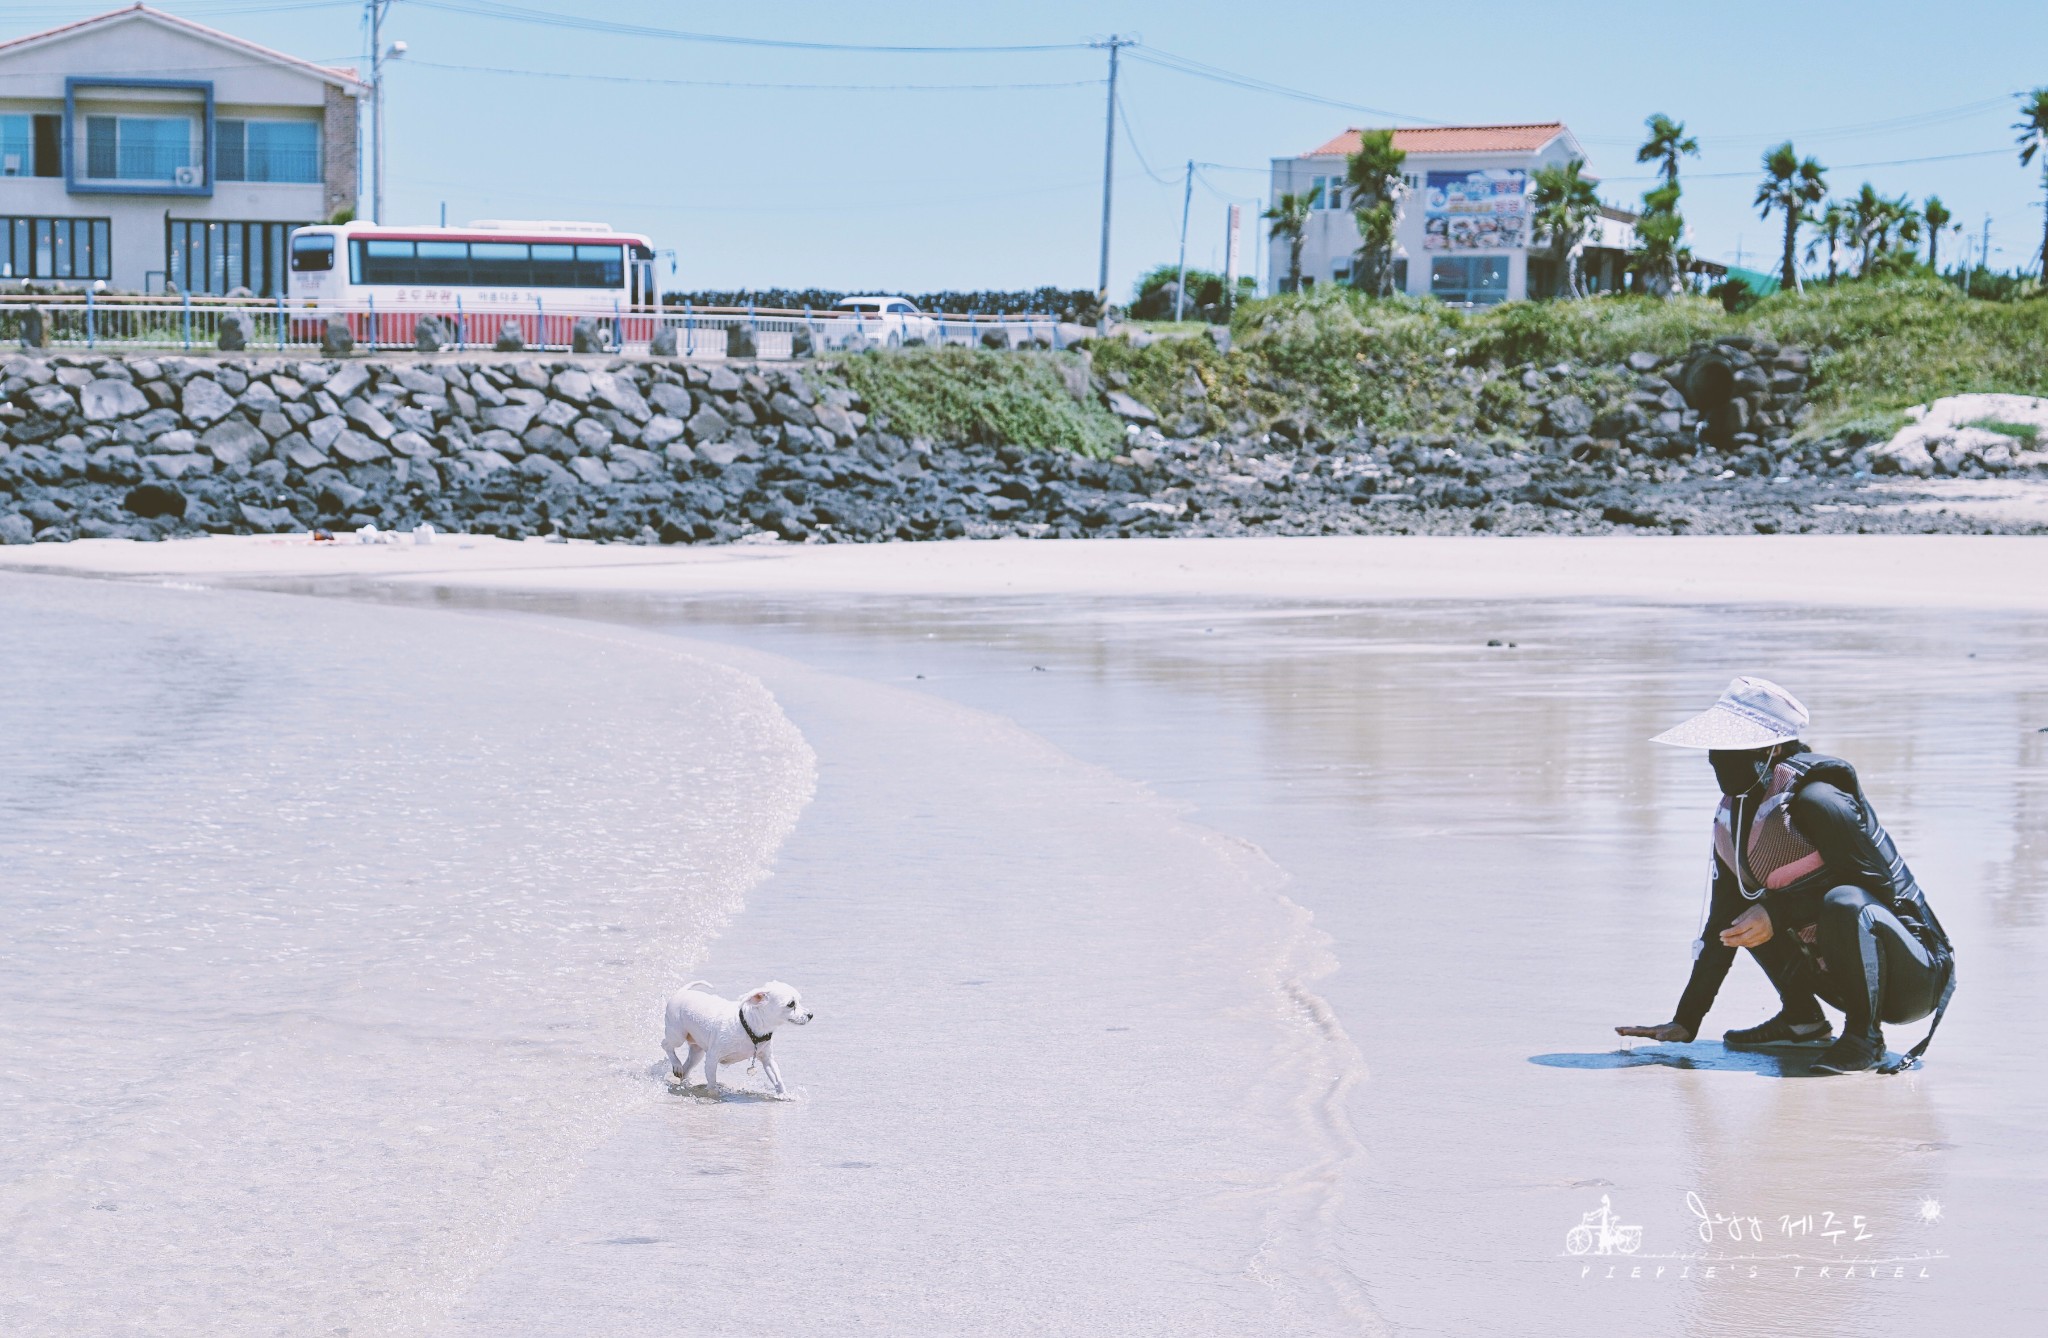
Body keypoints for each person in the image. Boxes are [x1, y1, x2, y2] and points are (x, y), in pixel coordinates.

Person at [1615, 677, 1955, 1074]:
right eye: (1716, 746)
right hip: (1841, 976)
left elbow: (1873, 888)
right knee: (1744, 913)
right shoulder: (1736, 816)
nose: (1718, 756)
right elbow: (1723, 920)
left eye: (1732, 745)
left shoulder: (1819, 800)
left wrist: (1777, 913)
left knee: (1840, 901)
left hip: (1913, 976)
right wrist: (1687, 1019)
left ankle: (1865, 1037)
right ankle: (1802, 1022)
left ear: (1772, 748)